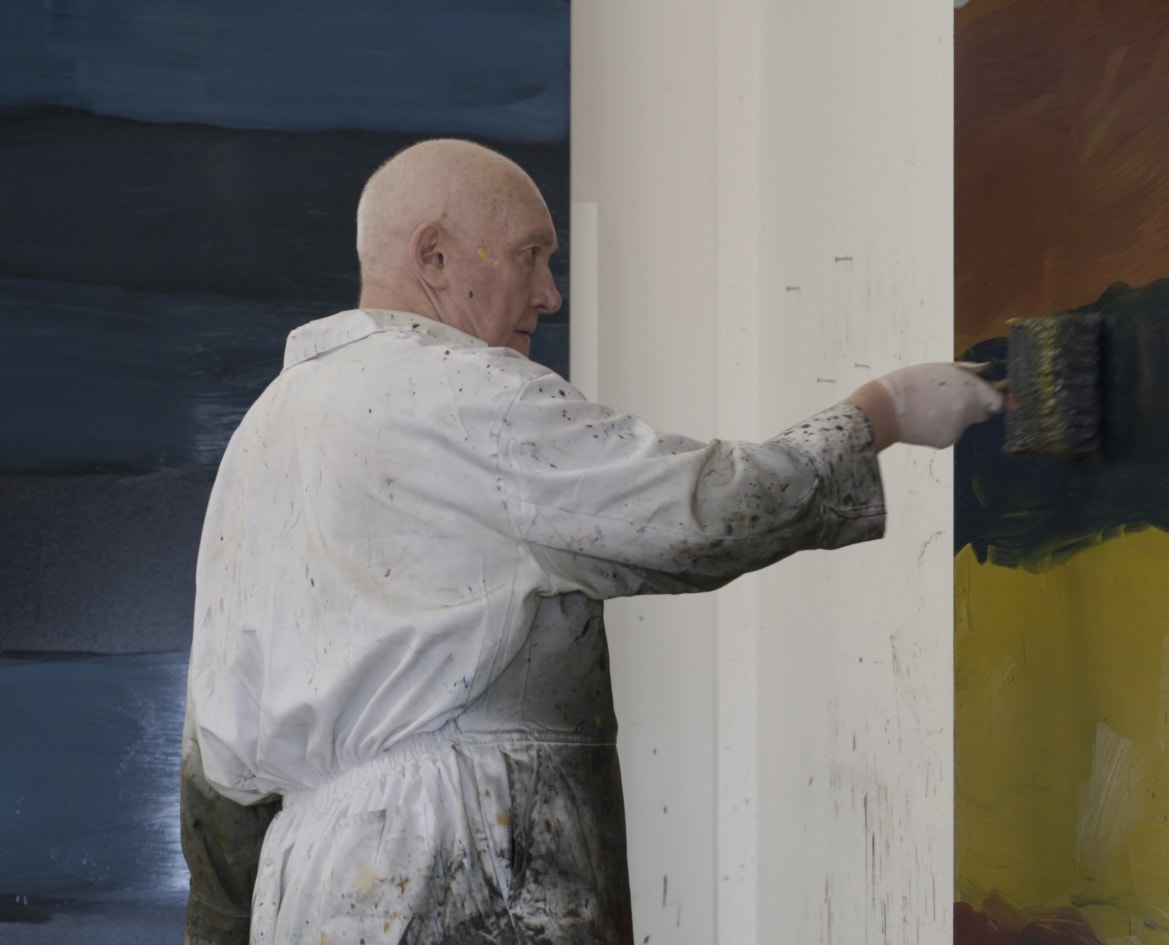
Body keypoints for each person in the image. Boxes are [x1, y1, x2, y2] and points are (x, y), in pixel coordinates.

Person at [180, 138, 1002, 944]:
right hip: (460, 866)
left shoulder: (262, 437)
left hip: (301, 894)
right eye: (529, 256)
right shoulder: (464, 393)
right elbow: (699, 513)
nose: (549, 295)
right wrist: (878, 415)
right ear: (433, 256)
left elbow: (213, 779)